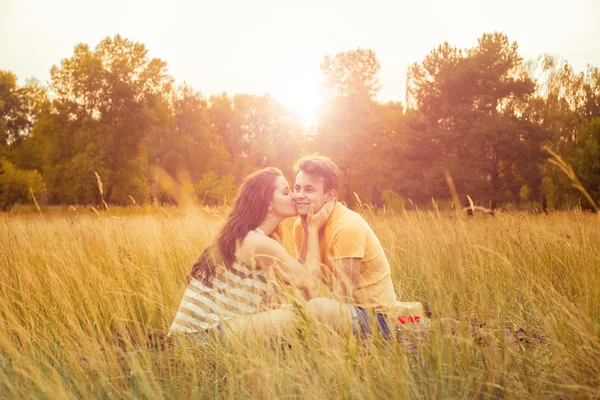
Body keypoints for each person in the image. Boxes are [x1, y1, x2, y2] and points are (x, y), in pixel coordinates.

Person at [168, 167, 333, 342]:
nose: (294, 196)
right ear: (268, 204)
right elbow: (310, 281)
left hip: (198, 336)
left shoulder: (250, 236)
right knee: (303, 315)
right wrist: (314, 228)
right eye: (286, 192)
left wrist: (307, 228)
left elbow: (297, 278)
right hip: (198, 340)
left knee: (286, 305)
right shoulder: (256, 242)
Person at [292, 155, 405, 340]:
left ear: (329, 195)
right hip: (340, 312)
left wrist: (307, 311)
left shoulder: (347, 228)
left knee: (317, 308)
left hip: (378, 320)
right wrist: (310, 231)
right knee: (289, 307)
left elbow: (340, 297)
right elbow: (303, 284)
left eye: (309, 189)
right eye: (297, 188)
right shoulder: (301, 225)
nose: (299, 195)